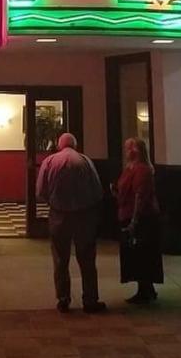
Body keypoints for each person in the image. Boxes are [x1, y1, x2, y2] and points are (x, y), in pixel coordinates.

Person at [35, 132, 106, 313]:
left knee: (60, 259)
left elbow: (41, 190)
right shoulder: (85, 161)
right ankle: (90, 299)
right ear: (75, 145)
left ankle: (63, 299)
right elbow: (98, 190)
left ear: (59, 145)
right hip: (84, 215)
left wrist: (53, 203)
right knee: (87, 259)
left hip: (59, 215)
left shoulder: (50, 161)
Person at [113, 137, 164, 304]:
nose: (127, 151)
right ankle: (145, 288)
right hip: (129, 215)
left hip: (143, 219)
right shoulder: (131, 168)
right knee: (137, 254)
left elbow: (140, 196)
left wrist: (134, 221)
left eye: (130, 148)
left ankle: (146, 289)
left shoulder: (141, 170)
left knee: (143, 252)